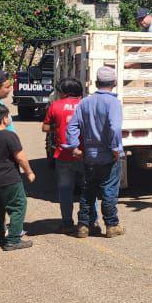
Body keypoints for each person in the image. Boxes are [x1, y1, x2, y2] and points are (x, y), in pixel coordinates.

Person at [65, 65, 125, 238]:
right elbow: (114, 128)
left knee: (88, 190)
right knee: (109, 190)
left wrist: (74, 146)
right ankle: (112, 225)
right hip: (108, 155)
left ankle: (83, 225)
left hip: (89, 156)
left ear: (97, 83)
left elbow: (72, 126)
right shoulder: (113, 103)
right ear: (114, 83)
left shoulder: (85, 102)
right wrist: (115, 148)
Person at [0, 104, 37, 251]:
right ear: (4, 119)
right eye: (8, 115)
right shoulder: (10, 136)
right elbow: (20, 157)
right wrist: (29, 172)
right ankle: (13, 239)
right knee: (18, 206)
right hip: (9, 179)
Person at [43, 78, 84, 234]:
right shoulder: (85, 104)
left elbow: (45, 127)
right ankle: (88, 222)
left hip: (63, 155)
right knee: (88, 190)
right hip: (84, 154)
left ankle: (67, 223)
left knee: (65, 191)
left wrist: (59, 126)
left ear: (64, 92)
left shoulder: (55, 105)